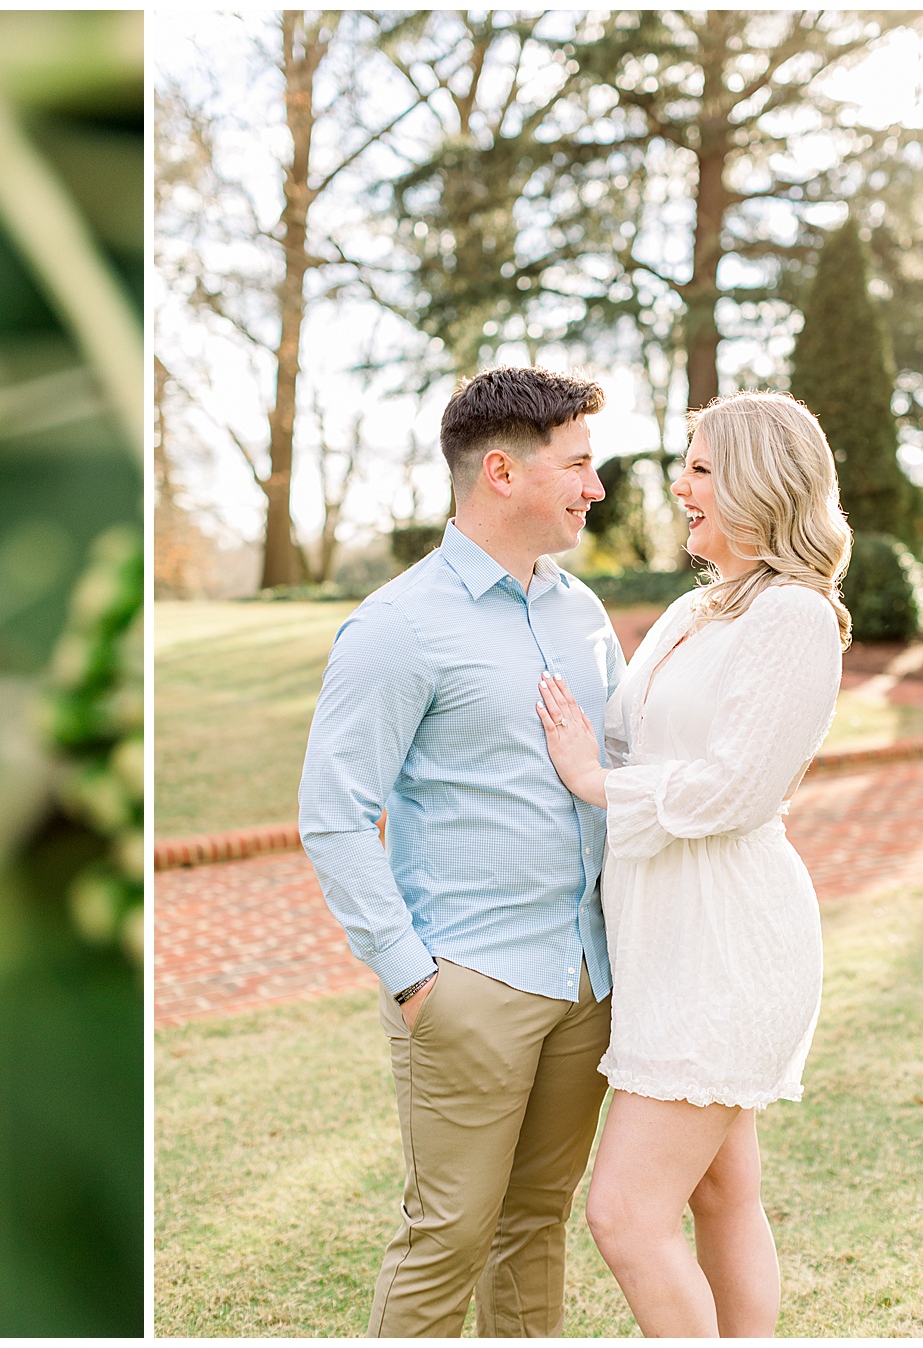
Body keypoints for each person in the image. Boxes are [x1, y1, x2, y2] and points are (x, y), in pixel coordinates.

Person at [298, 366, 626, 1337]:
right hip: (469, 984)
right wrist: (412, 978)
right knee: (447, 1233)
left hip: (586, 979)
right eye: (578, 465)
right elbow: (332, 812)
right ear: (502, 472)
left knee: (537, 1223)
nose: (595, 488)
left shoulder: (584, 616)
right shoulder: (397, 626)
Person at [535, 390, 850, 1336]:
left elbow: (733, 791)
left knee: (625, 1214)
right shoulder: (694, 610)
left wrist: (593, 781)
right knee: (721, 1195)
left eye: (703, 468)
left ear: (761, 484)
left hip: (727, 943)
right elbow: (636, 749)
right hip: (661, 935)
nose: (679, 486)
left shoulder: (793, 618)